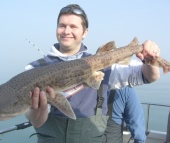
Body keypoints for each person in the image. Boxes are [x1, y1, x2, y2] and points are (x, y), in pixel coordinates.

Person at [25, 4, 160, 143]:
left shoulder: (104, 64)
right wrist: (37, 110)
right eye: (62, 26)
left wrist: (149, 59)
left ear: (85, 32)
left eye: (73, 27)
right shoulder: (34, 70)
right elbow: (37, 122)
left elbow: (149, 76)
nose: (66, 31)